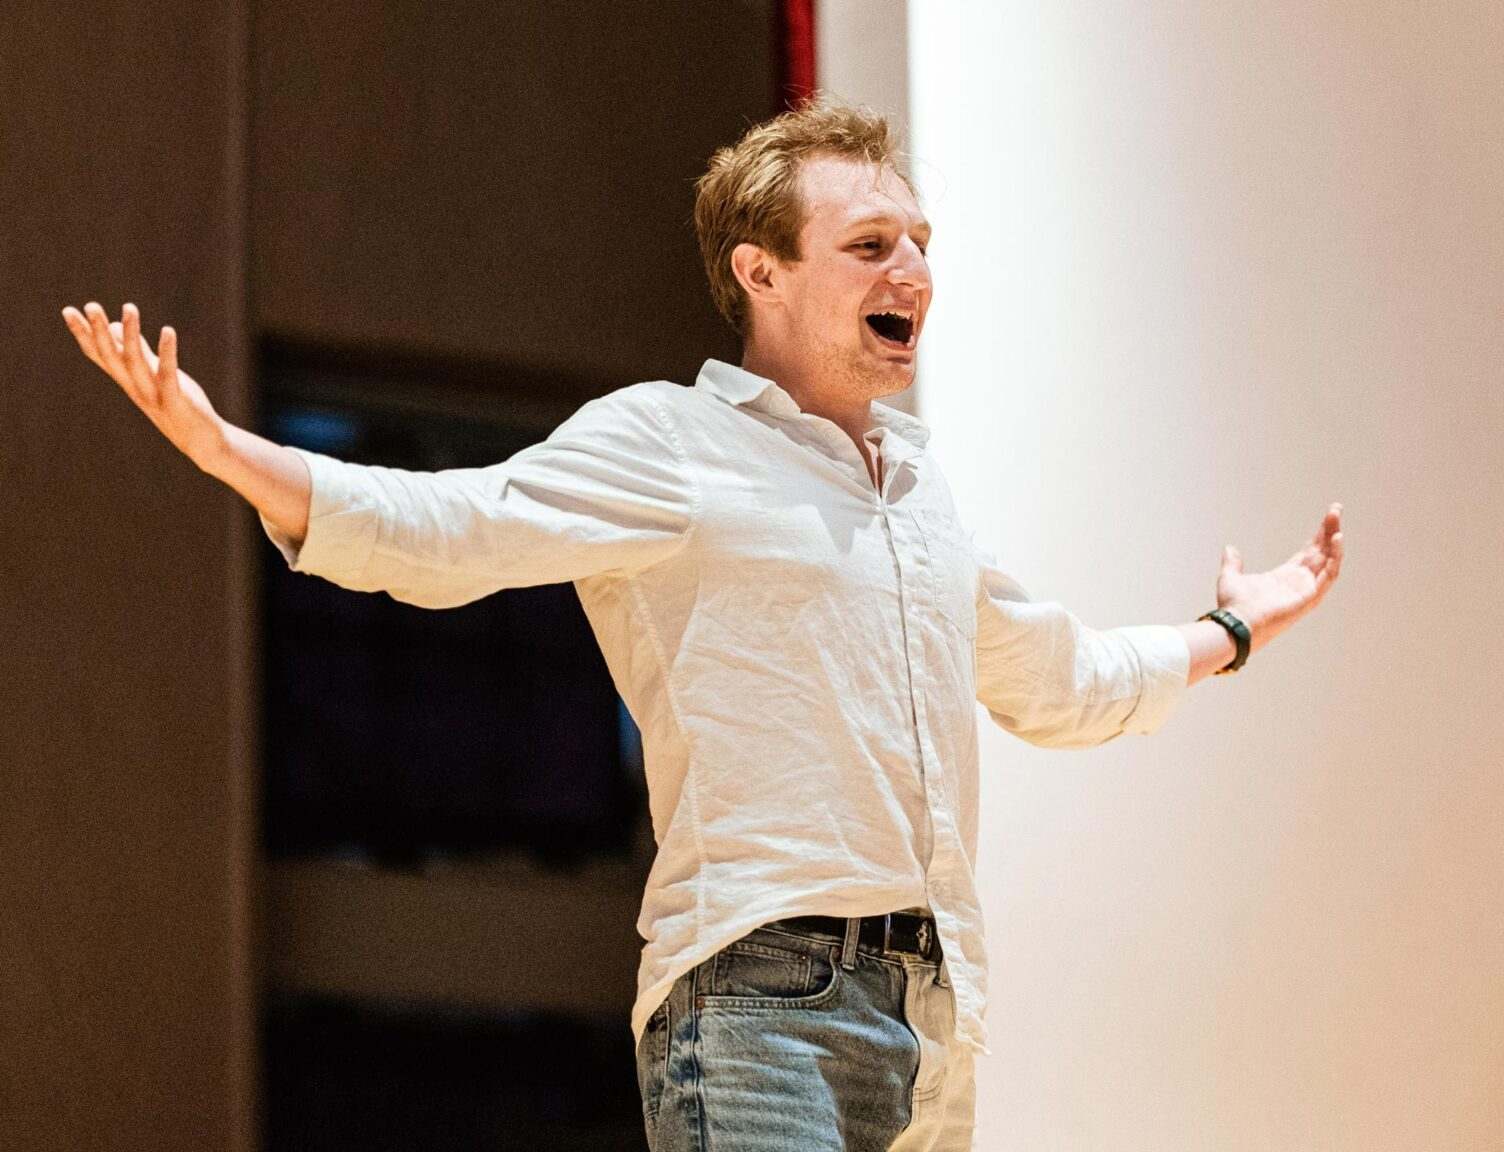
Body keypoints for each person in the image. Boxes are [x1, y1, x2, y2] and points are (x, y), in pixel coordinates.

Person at [59, 94, 1343, 1152]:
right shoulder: (672, 443)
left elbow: (1053, 675)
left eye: (919, 240)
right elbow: (455, 527)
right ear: (760, 271)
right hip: (756, 1007)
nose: (913, 272)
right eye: (869, 247)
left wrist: (1228, 628)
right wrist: (231, 450)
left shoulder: (918, 491)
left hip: (934, 1017)